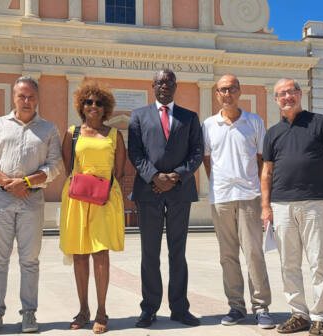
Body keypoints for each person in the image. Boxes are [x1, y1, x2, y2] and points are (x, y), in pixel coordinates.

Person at [0, 76, 63, 334]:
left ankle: (29, 314)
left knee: (30, 260)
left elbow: (55, 166)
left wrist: (25, 182)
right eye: (21, 96)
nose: (26, 101)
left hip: (32, 199)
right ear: (13, 98)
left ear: (37, 99)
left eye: (31, 97)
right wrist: (7, 183)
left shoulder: (48, 129)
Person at [261, 78, 323, 336]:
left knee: (319, 262)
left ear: (300, 94)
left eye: (291, 92)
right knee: (288, 263)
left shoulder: (319, 123)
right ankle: (299, 314)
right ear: (275, 100)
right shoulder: (272, 133)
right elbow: (266, 172)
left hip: (316, 203)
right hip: (281, 205)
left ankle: (320, 317)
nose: (287, 97)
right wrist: (265, 206)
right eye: (282, 94)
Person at [128, 69, 204, 328]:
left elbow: (197, 152)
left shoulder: (190, 117)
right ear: (153, 86)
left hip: (180, 191)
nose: (164, 85)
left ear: (175, 86)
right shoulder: (138, 116)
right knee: (149, 252)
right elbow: (135, 153)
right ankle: (149, 308)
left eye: (169, 82)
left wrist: (175, 176)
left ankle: (180, 308)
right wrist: (154, 177)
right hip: (148, 193)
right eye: (160, 82)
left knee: (177, 252)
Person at [202, 74, 273, 328]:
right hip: (221, 199)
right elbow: (208, 161)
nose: (227, 93)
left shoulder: (253, 121)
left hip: (249, 196)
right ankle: (236, 306)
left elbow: (263, 160)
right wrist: (220, 184)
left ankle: (261, 306)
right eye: (222, 89)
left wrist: (264, 198)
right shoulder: (208, 125)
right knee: (227, 255)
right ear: (217, 94)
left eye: (231, 88)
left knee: (254, 253)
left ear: (239, 91)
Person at [59, 81, 126, 334]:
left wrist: (100, 187)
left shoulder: (113, 135)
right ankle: (83, 309)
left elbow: (118, 171)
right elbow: (68, 166)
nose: (93, 106)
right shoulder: (72, 133)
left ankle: (101, 311)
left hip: (105, 198)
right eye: (88, 102)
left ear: (106, 107)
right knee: (79, 254)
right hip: (77, 199)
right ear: (81, 106)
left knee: (100, 253)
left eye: (98, 103)